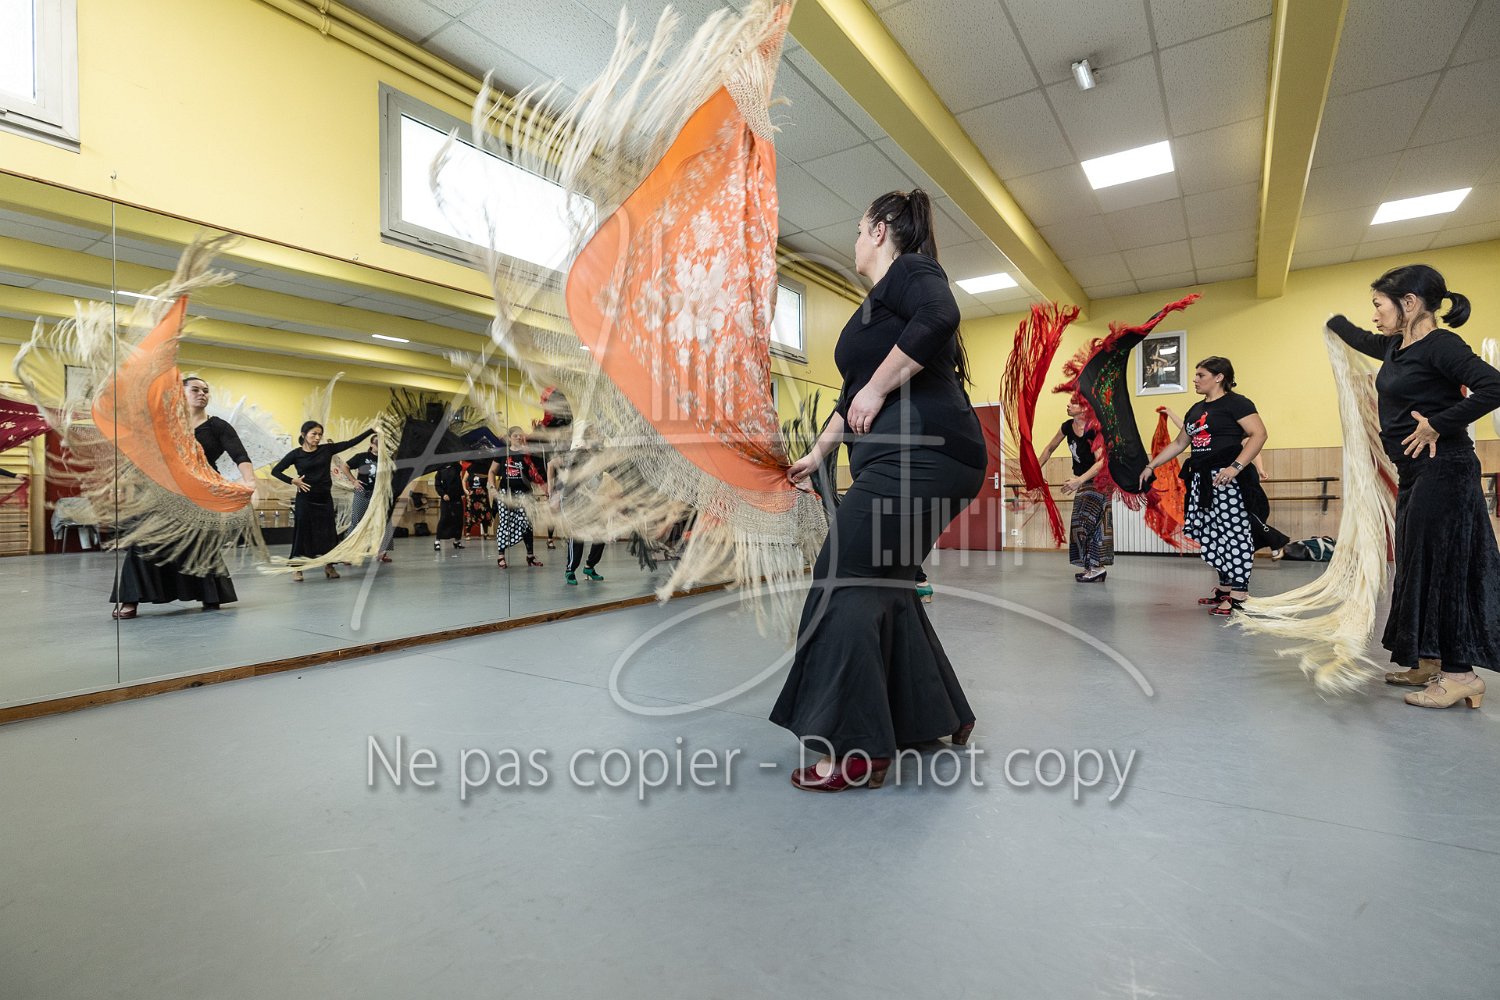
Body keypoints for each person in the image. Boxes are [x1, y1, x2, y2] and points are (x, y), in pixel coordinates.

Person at [770, 189, 985, 792]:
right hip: (924, 457)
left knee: (841, 579)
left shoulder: (912, 271)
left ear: (881, 230)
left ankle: (853, 751)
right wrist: (817, 454)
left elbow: (940, 316)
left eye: (860, 230)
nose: (855, 240)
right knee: (883, 583)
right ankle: (934, 714)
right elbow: (852, 398)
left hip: (920, 455)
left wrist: (877, 388)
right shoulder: (879, 305)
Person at [1328, 264, 1500, 709]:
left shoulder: (1442, 345)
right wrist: (1334, 323)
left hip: (1446, 468)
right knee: (1415, 565)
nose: (1374, 315)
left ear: (1409, 303)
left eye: (1378, 305)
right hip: (1415, 472)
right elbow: (1361, 339)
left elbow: (1493, 386)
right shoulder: (1395, 346)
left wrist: (1438, 424)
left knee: (1445, 567)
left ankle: (1461, 676)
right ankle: (1429, 659)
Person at [110, 375, 258, 619]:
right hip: (164, 493)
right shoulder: (165, 425)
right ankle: (129, 599)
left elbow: (240, 455)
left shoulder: (218, 426)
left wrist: (250, 481)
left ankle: (211, 594)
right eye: (195, 390)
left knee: (200, 544)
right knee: (144, 541)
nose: (202, 394)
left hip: (201, 494)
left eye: (206, 390)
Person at [1141, 358, 1268, 616]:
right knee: (1213, 534)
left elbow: (1259, 434)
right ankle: (1225, 588)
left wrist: (1235, 467)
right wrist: (1151, 465)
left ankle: (1239, 594)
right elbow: (1180, 443)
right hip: (1202, 480)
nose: (1195, 379)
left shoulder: (1237, 403)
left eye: (1201, 375)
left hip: (1228, 479)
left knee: (1234, 534)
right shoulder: (1196, 409)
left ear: (1219, 377)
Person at [1158, 405, 1289, 559]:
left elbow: (1254, 450)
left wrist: (1260, 469)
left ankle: (1274, 541)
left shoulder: (1237, 432)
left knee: (1244, 516)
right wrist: (1171, 413)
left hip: (1237, 479)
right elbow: (1187, 429)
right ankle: (1237, 552)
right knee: (1224, 519)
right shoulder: (1209, 432)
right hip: (1216, 479)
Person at [271, 421, 373, 581]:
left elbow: (350, 442)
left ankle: (329, 565)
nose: (317, 437)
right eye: (314, 434)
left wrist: (370, 431)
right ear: (304, 434)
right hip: (305, 499)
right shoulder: (296, 454)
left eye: (320, 434)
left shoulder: (326, 450)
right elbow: (276, 471)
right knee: (302, 533)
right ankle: (297, 567)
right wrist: (293, 481)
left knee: (327, 533)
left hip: (324, 499)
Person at [1038, 396, 1111, 582]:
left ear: (1084, 408)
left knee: (1085, 523)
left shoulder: (1094, 429)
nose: (1068, 405)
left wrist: (1078, 481)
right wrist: (1035, 470)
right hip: (1083, 481)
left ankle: (1096, 568)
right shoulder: (1067, 427)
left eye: (1073, 402)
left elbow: (1101, 462)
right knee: (1081, 525)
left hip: (1099, 481)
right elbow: (1049, 448)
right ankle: (1093, 568)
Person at [487, 426, 547, 569]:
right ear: (509, 438)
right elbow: (492, 471)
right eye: (515, 435)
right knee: (504, 522)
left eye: (520, 435)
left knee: (527, 523)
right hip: (505, 493)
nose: (519, 438)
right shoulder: (503, 453)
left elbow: (536, 473)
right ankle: (501, 556)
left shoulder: (527, 454)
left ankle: (530, 556)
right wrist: (492, 487)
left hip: (524, 494)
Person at [345, 433, 391, 562]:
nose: (380, 445)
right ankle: (348, 553)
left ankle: (382, 552)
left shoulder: (387, 459)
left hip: (380, 494)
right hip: (363, 493)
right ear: (371, 444)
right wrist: (353, 481)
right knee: (356, 522)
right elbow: (345, 466)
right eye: (377, 443)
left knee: (384, 522)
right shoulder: (361, 457)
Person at [432, 460, 466, 552]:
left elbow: (459, 475)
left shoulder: (456, 467)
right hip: (446, 499)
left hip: (457, 498)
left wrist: (462, 493)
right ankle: (437, 541)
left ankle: (457, 541)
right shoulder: (440, 471)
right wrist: (443, 494)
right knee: (444, 519)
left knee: (458, 519)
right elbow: (438, 485)